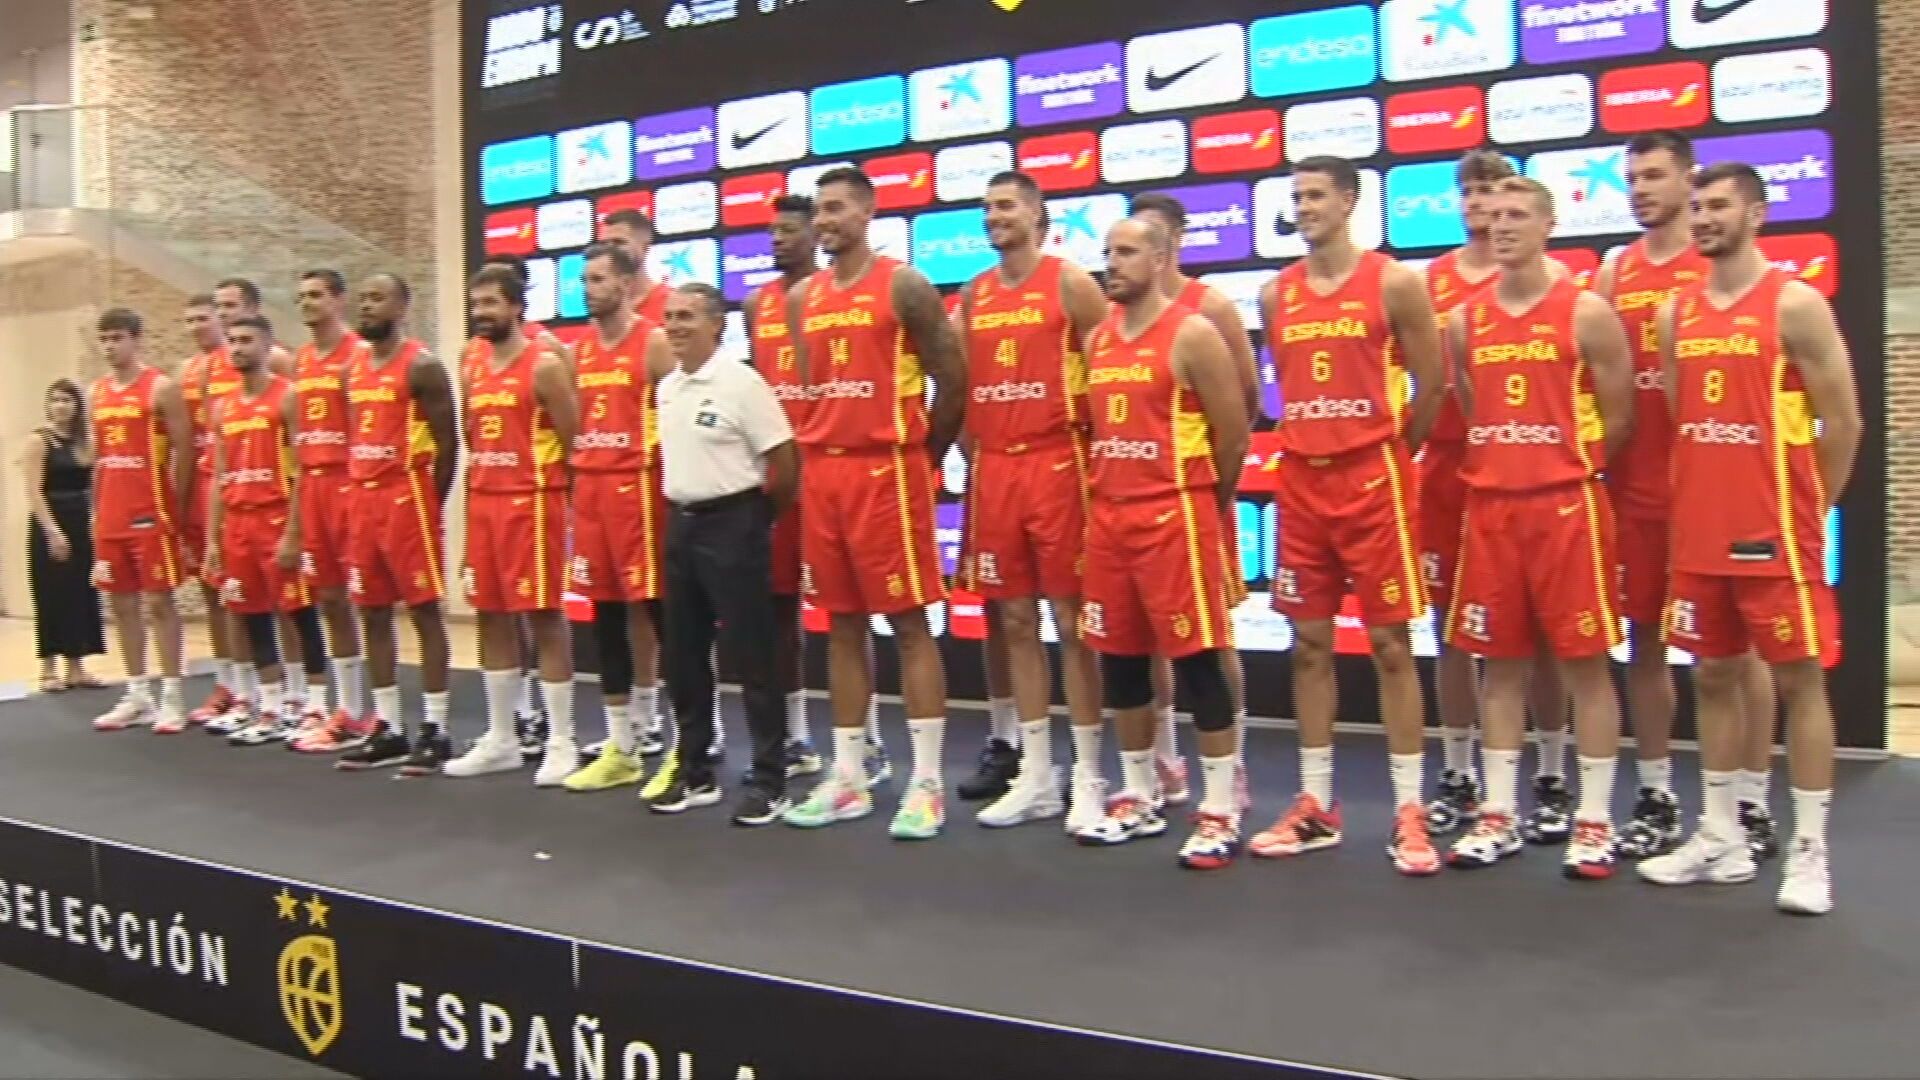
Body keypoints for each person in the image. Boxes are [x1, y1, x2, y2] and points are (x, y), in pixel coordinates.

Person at [1640, 161, 1861, 916]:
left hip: (1777, 537)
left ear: (1757, 214)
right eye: (1695, 206)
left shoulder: (1794, 304)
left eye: (1718, 206)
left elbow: (1846, 422)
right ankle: (1720, 835)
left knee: (1800, 681)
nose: (1701, 218)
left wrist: (1807, 511)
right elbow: (1683, 418)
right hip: (1701, 531)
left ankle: (1809, 851)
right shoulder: (1677, 313)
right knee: (1712, 677)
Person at [1249, 156, 1445, 875]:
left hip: (1375, 483)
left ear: (1350, 202)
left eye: (1315, 196)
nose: (1303, 207)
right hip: (1303, 486)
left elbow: (1434, 383)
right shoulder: (1276, 295)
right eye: (1295, 196)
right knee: (1307, 646)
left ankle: (1408, 810)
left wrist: (1390, 454)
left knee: (1393, 645)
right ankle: (1316, 805)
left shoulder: (1393, 282)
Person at [1594, 132, 1782, 862]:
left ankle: (1751, 802)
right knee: (1644, 639)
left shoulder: (1721, 274)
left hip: (1719, 492)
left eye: (1653, 176)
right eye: (1631, 178)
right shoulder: (1616, 272)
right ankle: (1658, 792)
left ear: (1689, 180)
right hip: (1636, 491)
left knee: (1744, 654)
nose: (1640, 189)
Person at [1441, 177, 1634, 878]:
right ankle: (1498, 814)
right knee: (1500, 668)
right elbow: (1468, 401)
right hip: (1491, 509)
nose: (1502, 226)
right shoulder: (1465, 320)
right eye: (1492, 216)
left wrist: (1562, 464)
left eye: (1518, 215)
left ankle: (1593, 820)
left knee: (1586, 667)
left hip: (1566, 507)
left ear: (1550, 224)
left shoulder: (1585, 312)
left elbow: (1618, 417)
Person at [781, 166, 964, 839]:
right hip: (825, 476)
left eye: (836, 208)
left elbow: (954, 379)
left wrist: (924, 455)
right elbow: (814, 388)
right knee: (841, 625)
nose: (824, 221)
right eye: (818, 211)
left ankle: (926, 783)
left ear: (867, 211)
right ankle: (850, 776)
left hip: (889, 472)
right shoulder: (805, 297)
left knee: (910, 625)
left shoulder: (905, 285)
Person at [1075, 216, 1248, 868]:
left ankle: (1218, 808)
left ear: (1161, 256)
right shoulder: (1097, 340)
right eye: (1107, 253)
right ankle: (1139, 793)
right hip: (1111, 518)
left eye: (1125, 253)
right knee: (1119, 660)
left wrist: (1205, 501)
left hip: (1175, 515)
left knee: (1198, 660)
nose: (1111, 264)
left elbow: (1232, 434)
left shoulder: (1194, 333)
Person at [1419, 150, 1577, 845]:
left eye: (1493, 192)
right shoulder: (1434, 282)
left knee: (1538, 632)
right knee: (1452, 626)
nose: (1481, 205)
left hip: (1526, 472)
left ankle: (1549, 771)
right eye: (1471, 193)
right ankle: (1458, 771)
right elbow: (1433, 383)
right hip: (1451, 469)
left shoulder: (1559, 285)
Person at [952, 171, 1110, 831]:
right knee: (1014, 621)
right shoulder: (974, 294)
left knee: (1074, 625)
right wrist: (978, 451)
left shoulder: (1069, 282)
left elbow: (1112, 363)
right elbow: (961, 385)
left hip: (1059, 463)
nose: (995, 216)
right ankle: (1037, 773)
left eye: (1007, 205)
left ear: (1039, 215)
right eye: (987, 207)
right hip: (998, 471)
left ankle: (1092, 777)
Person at [748, 194, 902, 784]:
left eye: (791, 229)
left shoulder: (846, 293)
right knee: (780, 608)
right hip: (781, 472)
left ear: (816, 233)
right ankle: (793, 734)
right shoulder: (759, 303)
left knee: (856, 614)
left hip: (843, 469)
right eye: (772, 232)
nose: (779, 240)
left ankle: (867, 740)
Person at [1126, 192, 1259, 807]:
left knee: (1209, 632)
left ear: (1175, 240)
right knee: (1138, 635)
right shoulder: (1114, 317)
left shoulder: (1211, 309)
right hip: (1129, 506)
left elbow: (1245, 406)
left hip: (1193, 499)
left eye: (1155, 233)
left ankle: (1231, 761)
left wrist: (1209, 490)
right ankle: (1161, 759)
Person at [652, 282, 800, 823]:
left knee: (753, 657)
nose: (675, 326)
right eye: (669, 316)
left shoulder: (742, 383)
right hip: (680, 525)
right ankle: (695, 771)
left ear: (718, 324)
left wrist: (757, 518)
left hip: (735, 524)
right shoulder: (667, 387)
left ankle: (769, 778)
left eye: (687, 316)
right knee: (684, 657)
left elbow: (783, 460)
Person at [441, 265, 579, 785]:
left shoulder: (544, 365)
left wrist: (560, 500)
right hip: (484, 502)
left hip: (533, 503)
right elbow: (473, 437)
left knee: (542, 616)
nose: (481, 313)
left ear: (517, 308)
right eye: (476, 304)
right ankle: (502, 735)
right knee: (490, 616)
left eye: (492, 303)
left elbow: (574, 441)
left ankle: (561, 740)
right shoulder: (471, 362)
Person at [333, 274, 459, 774]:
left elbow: (448, 443)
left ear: (403, 306)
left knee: (425, 612)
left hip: (408, 499)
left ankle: (435, 728)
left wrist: (431, 500)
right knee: (372, 612)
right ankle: (387, 725)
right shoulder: (353, 368)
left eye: (377, 297)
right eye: (362, 298)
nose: (367, 306)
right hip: (363, 500)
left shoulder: (423, 366)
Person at [560, 241, 674, 794]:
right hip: (593, 499)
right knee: (604, 620)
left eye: (600, 278)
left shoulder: (652, 343)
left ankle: (690, 739)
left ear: (629, 285)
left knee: (662, 619)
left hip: (643, 497)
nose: (589, 288)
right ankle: (622, 744)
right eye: (585, 279)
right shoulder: (575, 353)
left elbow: (682, 419)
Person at [203, 315, 331, 747]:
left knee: (299, 612)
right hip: (237, 521)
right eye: (232, 341)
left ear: (268, 344)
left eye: (245, 340)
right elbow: (219, 475)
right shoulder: (224, 407)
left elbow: (303, 472)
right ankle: (271, 703)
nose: (236, 348)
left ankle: (313, 702)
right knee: (249, 613)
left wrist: (295, 532)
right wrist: (214, 538)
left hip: (276, 516)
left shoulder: (287, 397)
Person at [285, 269, 377, 754]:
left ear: (339, 300)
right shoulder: (301, 359)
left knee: (368, 601)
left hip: (351, 483)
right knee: (329, 599)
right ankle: (347, 706)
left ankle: (377, 709)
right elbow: (299, 440)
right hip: (314, 486)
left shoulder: (360, 353)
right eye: (301, 296)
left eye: (317, 295)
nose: (308, 303)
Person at [86, 308, 191, 733]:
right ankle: (137, 693)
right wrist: (95, 513)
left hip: (150, 511)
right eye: (105, 339)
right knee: (120, 605)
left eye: (117, 338)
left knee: (158, 602)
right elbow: (99, 461)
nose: (111, 347)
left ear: (136, 338)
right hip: (110, 514)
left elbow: (185, 450)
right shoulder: (96, 392)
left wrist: (176, 510)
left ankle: (172, 696)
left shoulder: (161, 388)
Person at [176, 294, 246, 730]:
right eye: (192, 319)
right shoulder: (186, 372)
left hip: (247, 483)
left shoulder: (253, 360)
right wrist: (178, 501)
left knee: (251, 592)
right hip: (204, 486)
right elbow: (185, 443)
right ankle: (227, 684)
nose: (200, 325)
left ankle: (271, 688)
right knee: (211, 589)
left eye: (208, 316)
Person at [23, 379, 105, 691]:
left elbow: (94, 485)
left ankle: (77, 666)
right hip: (50, 520)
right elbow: (34, 492)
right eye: (55, 400)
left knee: (80, 593)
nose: (61, 406)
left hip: (80, 520)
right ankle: (48, 667)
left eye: (67, 400)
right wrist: (52, 531)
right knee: (51, 592)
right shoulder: (39, 441)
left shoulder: (85, 443)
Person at [599, 209, 672, 325]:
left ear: (645, 247)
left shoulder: (672, 303)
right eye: (603, 244)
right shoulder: (602, 310)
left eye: (619, 242)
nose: (609, 250)